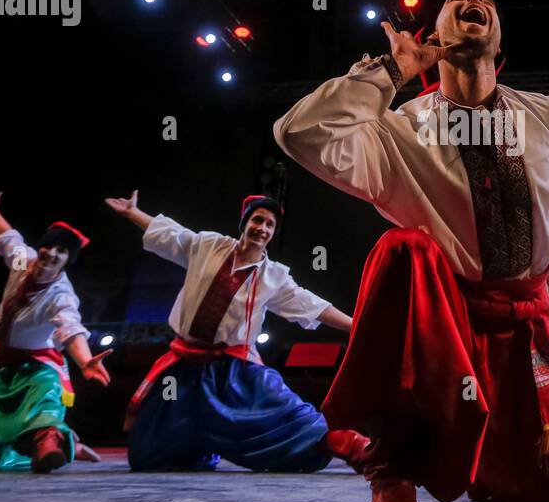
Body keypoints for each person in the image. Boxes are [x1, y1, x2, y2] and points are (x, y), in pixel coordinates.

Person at [274, 0, 549, 502]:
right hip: (444, 326)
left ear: (499, 40)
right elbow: (298, 133)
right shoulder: (397, 129)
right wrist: (392, 69)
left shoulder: (542, 112)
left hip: (524, 321)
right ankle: (391, 478)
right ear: (434, 37)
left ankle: (459, 450)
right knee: (404, 249)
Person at [105, 190, 367, 471]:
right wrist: (132, 213)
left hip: (237, 368)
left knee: (292, 419)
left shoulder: (274, 276)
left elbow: (311, 304)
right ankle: (198, 448)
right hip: (185, 367)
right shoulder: (208, 246)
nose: (262, 229)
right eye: (257, 220)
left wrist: (356, 326)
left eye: (269, 225)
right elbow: (172, 235)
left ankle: (352, 446)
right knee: (148, 456)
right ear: (244, 223)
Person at [0, 193, 110, 472]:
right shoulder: (22, 263)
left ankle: (49, 448)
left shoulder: (61, 295)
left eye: (61, 251)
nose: (52, 254)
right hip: (3, 361)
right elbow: (9, 239)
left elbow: (71, 329)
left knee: (45, 401)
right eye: (48, 246)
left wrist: (86, 361)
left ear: (67, 260)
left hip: (38, 364)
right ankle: (71, 445)